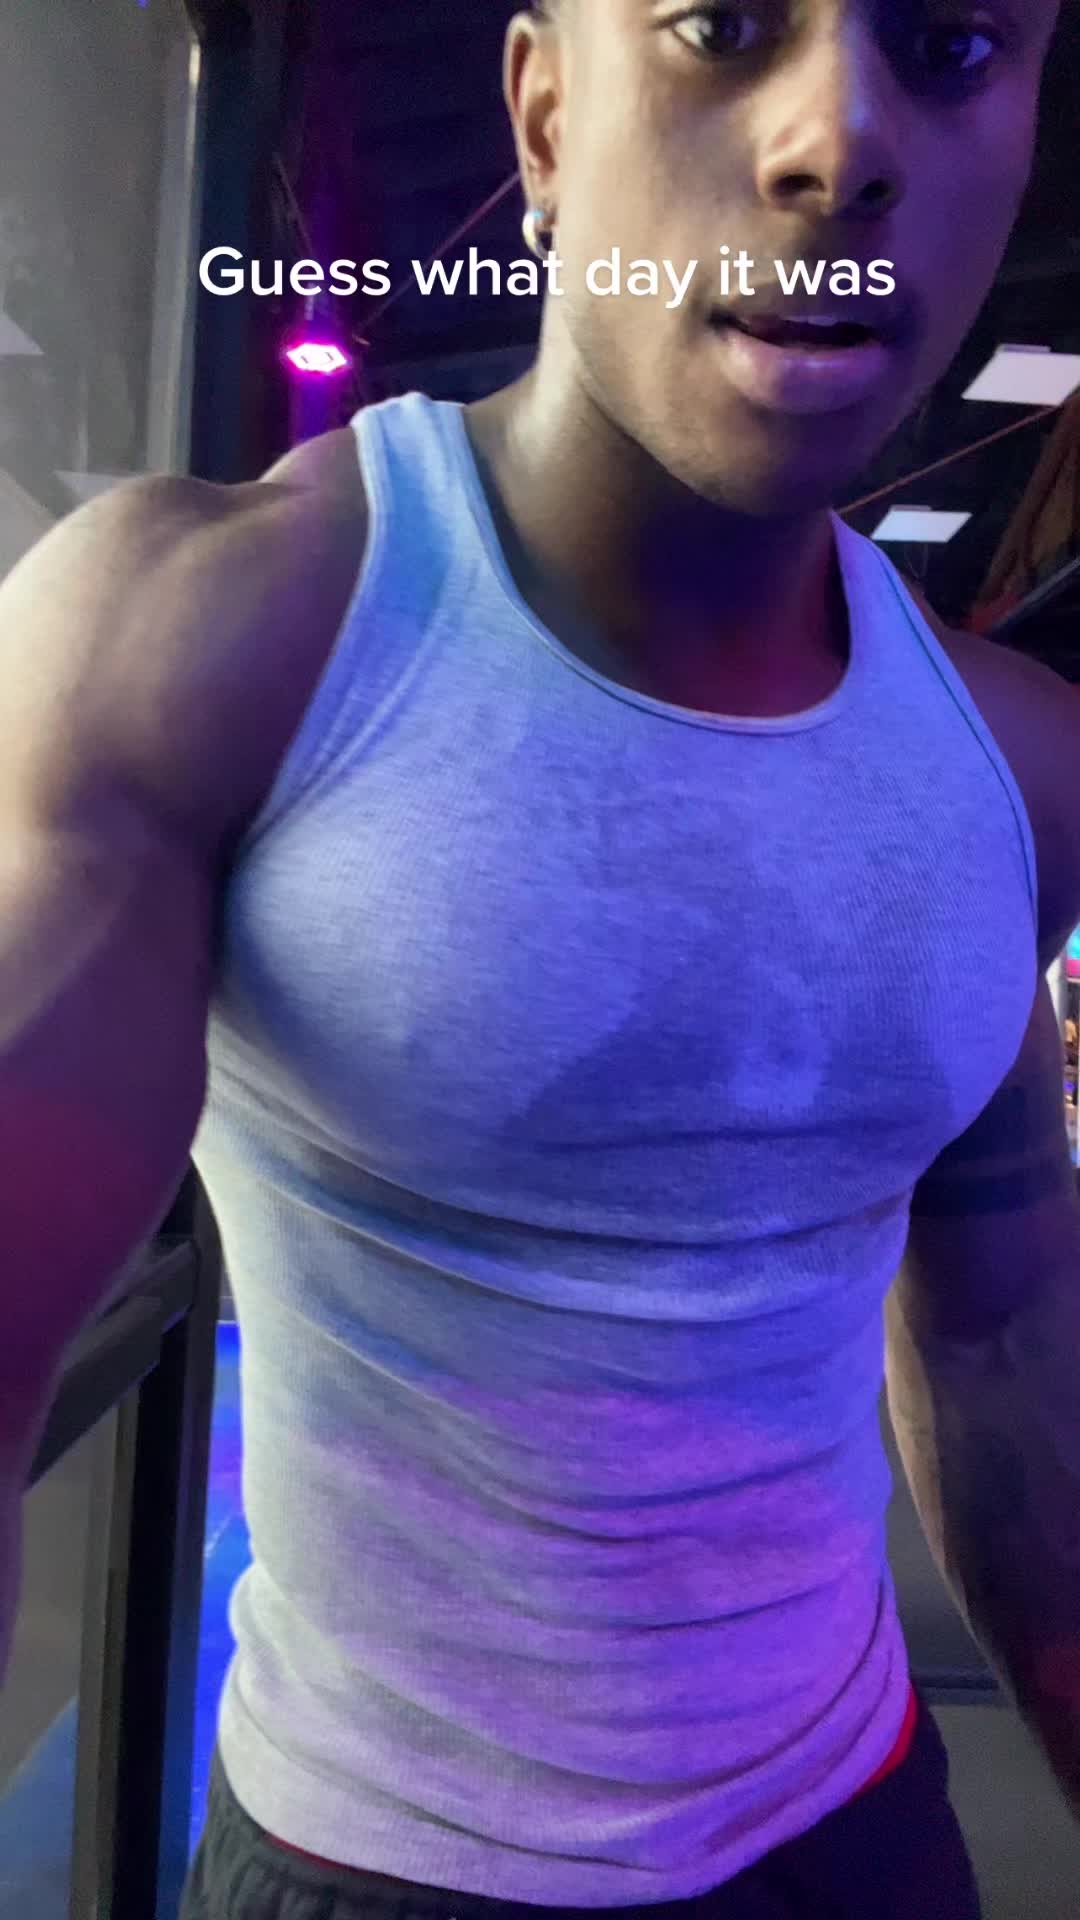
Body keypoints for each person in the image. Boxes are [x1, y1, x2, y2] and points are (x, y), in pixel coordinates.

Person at [2, 2, 1079, 1916]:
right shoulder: (204, 636)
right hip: (377, 1862)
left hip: (867, 1825)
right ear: (547, 111)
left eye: (951, 49)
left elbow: (999, 1339)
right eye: (721, 27)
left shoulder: (1013, 762)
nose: (842, 140)